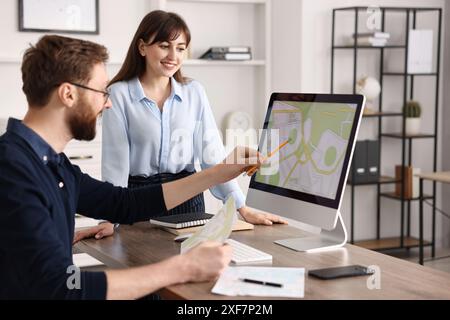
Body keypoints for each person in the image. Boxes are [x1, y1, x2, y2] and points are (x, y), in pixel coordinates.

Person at [0, 34, 262, 299]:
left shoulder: (51, 163)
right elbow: (58, 289)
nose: (108, 102)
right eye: (102, 91)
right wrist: (182, 268)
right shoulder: (12, 171)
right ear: (68, 94)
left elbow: (123, 203)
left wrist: (217, 173)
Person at [74, 10, 286, 242]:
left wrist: (241, 207)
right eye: (164, 45)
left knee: (191, 270)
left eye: (181, 48)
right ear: (143, 47)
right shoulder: (119, 94)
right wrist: (108, 218)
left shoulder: (194, 92)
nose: (173, 55)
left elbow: (212, 155)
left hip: (188, 198)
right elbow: (115, 164)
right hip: (139, 203)